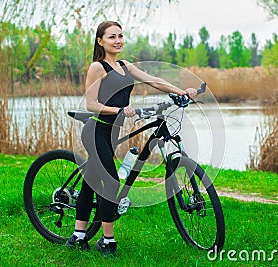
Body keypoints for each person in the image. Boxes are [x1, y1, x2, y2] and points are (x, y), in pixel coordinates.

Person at [65, 21, 197, 256]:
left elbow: (153, 80)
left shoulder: (126, 66)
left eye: (120, 36)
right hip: (96, 130)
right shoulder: (98, 67)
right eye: (111, 37)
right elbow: (90, 103)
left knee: (92, 181)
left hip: (112, 132)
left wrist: (182, 92)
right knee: (112, 183)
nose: (118, 40)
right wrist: (119, 110)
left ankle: (78, 235)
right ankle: (108, 241)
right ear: (100, 41)